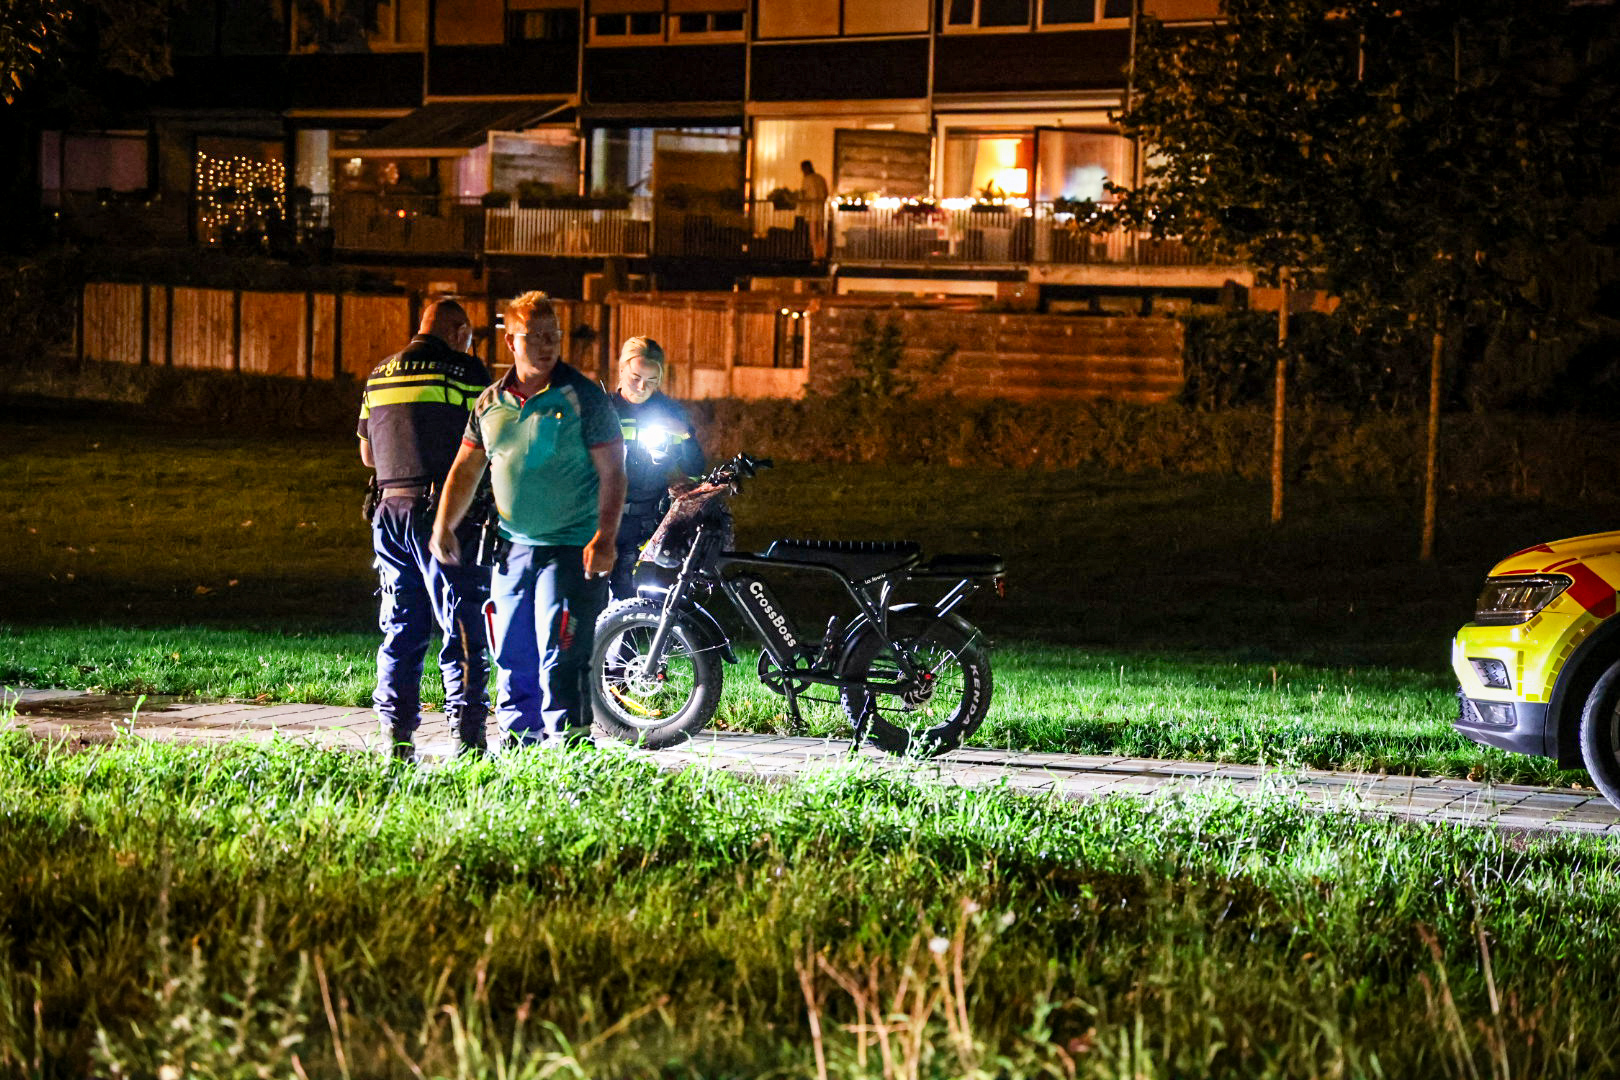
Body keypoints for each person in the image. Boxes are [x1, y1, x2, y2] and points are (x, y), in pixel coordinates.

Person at [430, 291, 626, 750]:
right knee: (512, 654)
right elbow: (465, 468)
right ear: (509, 342)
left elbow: (614, 472)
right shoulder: (490, 403)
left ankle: (572, 754)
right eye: (534, 336)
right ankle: (520, 750)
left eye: (552, 335)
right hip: (511, 550)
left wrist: (606, 536)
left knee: (560, 656)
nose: (546, 344)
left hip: (571, 549)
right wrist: (444, 524)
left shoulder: (583, 399)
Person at [357, 298, 491, 760]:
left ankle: (395, 734)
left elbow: (368, 455)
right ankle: (468, 735)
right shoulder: (465, 372)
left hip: (388, 512)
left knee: (401, 625)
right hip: (443, 514)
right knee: (462, 623)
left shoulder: (379, 375)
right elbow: (489, 439)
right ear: (458, 333)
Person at [609, 336, 704, 600]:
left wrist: (684, 435)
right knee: (596, 596)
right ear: (621, 370)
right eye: (636, 377)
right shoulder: (603, 410)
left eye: (651, 381)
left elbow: (695, 467)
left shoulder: (670, 412)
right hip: (604, 517)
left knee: (639, 597)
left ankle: (633, 639)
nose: (642, 387)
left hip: (649, 521)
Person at [797, 159, 830, 260]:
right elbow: (825, 193)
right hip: (822, 210)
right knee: (821, 234)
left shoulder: (807, 179)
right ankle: (822, 254)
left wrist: (801, 208)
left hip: (811, 211)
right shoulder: (821, 178)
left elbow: (803, 194)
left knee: (813, 235)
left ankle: (817, 256)